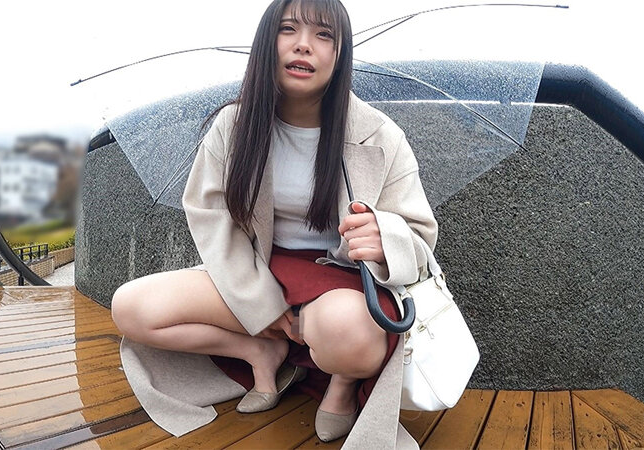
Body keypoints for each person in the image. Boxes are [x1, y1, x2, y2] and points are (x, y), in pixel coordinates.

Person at [111, 0, 437, 445]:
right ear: (267, 41)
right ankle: (260, 351)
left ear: (340, 54)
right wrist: (261, 307)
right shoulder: (234, 126)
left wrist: (385, 237)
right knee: (132, 307)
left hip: (341, 283)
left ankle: (341, 383)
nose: (304, 45)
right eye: (288, 29)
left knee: (348, 332)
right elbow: (211, 218)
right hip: (259, 268)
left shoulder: (379, 134)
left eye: (324, 35)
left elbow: (420, 235)